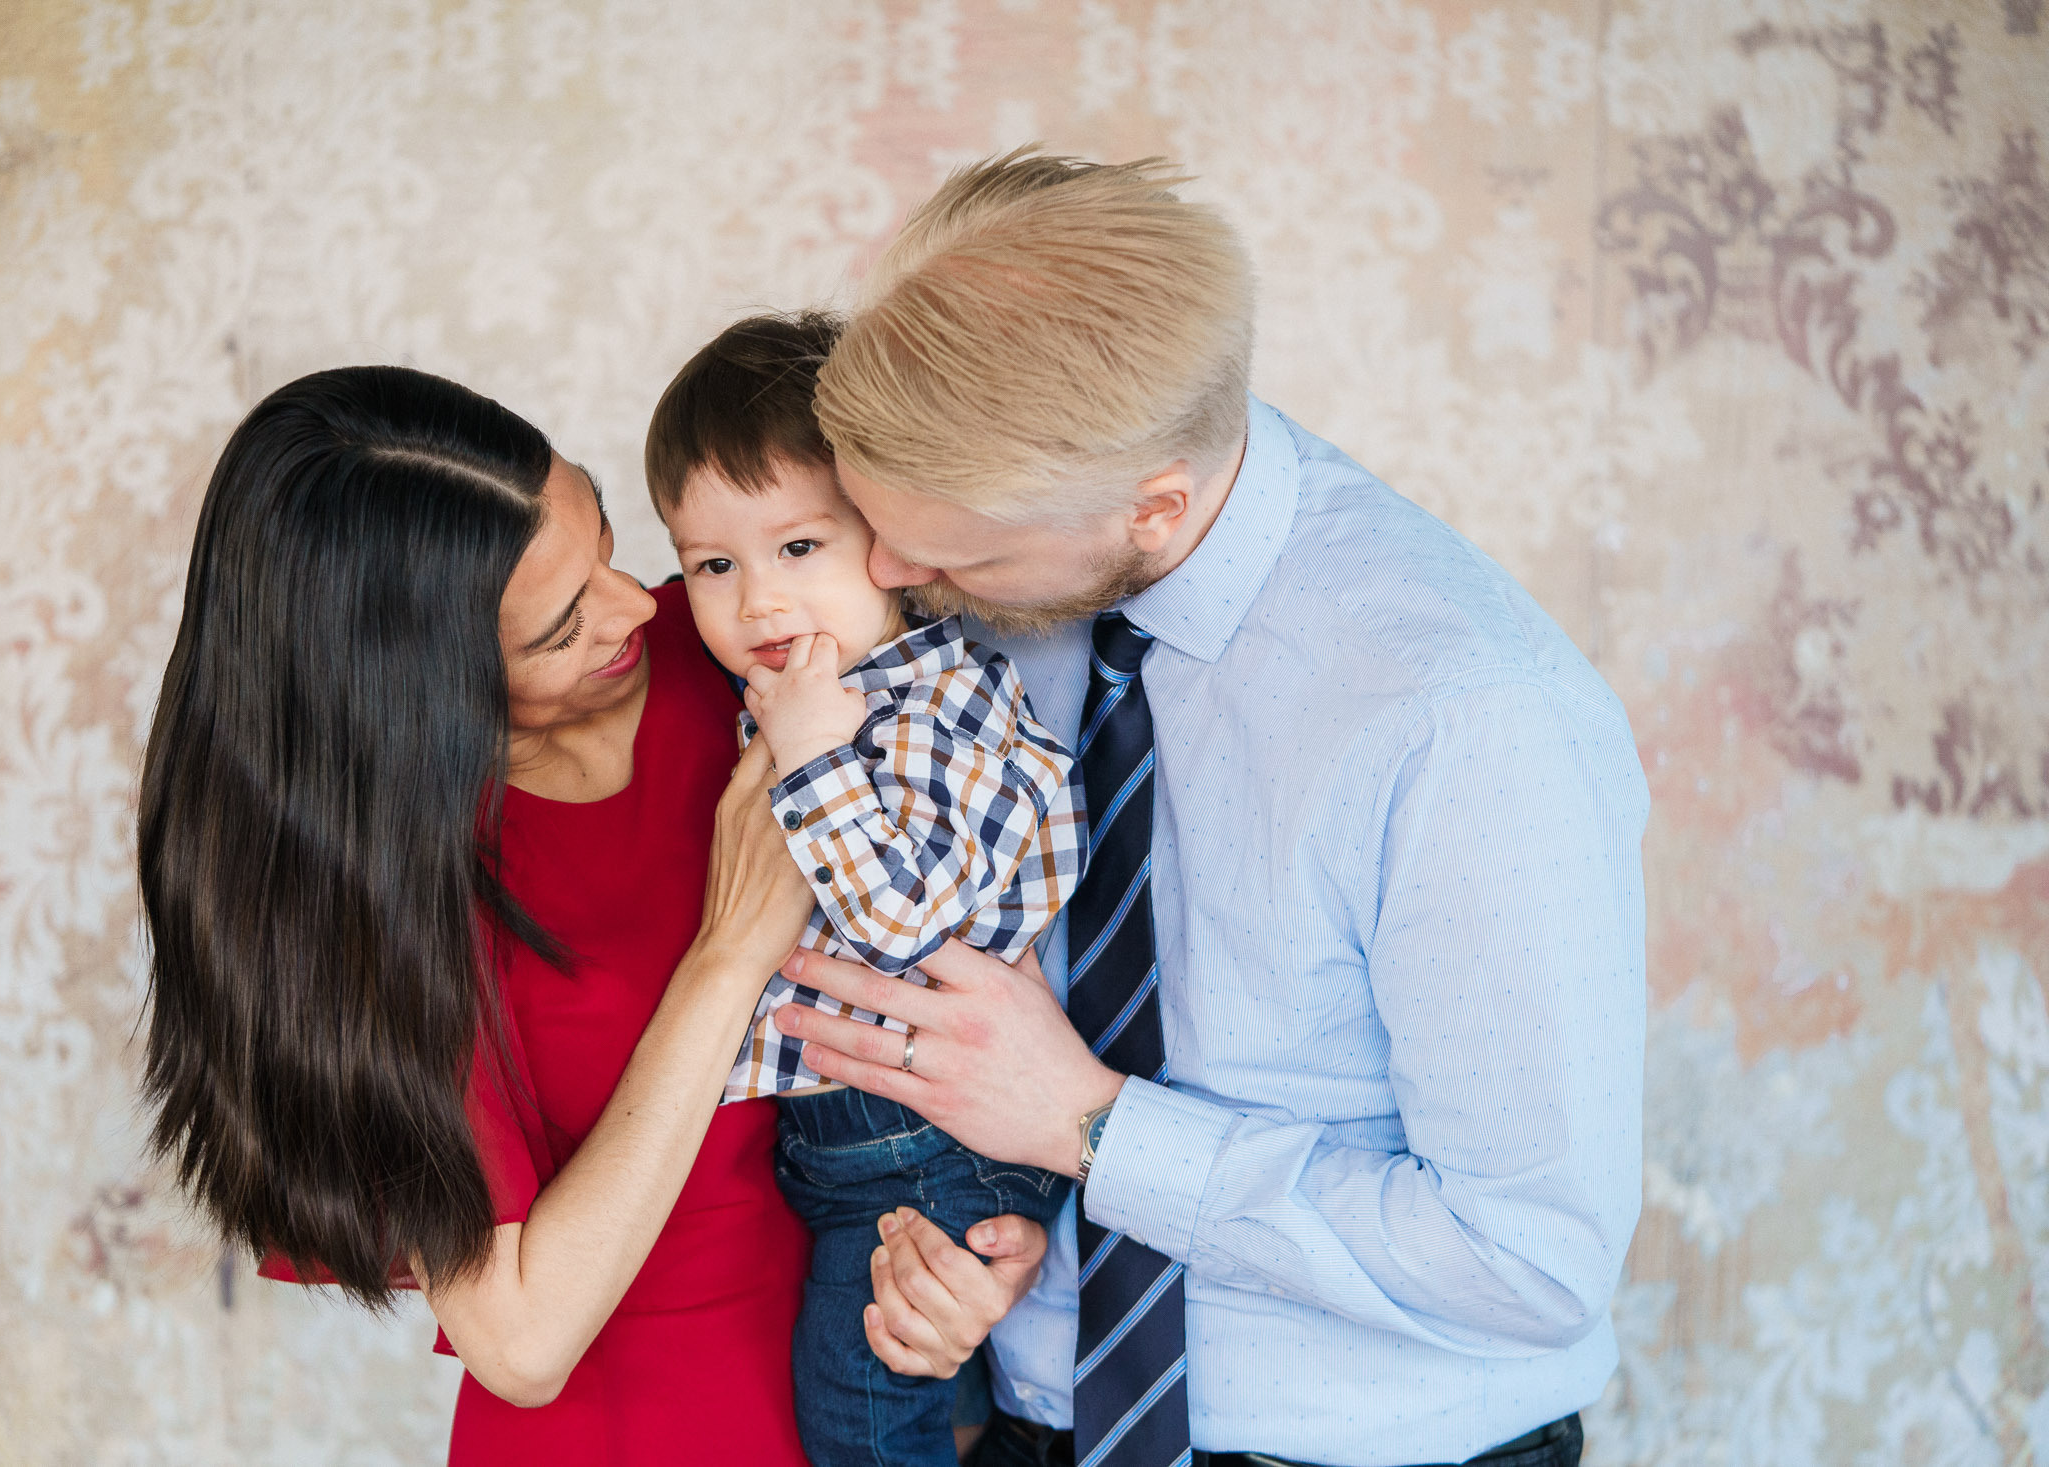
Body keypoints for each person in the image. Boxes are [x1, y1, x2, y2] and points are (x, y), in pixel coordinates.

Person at [773, 151, 1649, 1467]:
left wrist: (1093, 1125)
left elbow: (1529, 1260)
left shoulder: (1467, 714)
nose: (890, 577)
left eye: (952, 552)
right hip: (1018, 1421)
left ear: (1156, 507)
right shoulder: (1022, 567)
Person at [135, 365, 1050, 1466]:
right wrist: (726, 957)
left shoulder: (748, 649)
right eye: (563, 625)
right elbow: (519, 1345)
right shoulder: (384, 906)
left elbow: (978, 925)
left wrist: (982, 1238)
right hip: (636, 1427)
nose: (638, 607)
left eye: (609, 545)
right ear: (418, 691)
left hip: (872, 1370)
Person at [641, 312, 1082, 1467]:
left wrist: (814, 759)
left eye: (800, 549)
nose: (758, 603)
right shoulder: (813, 688)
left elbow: (903, 925)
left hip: (922, 1137)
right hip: (864, 1139)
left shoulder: (927, 709)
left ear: (888, 540)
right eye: (714, 565)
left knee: (860, 1420)